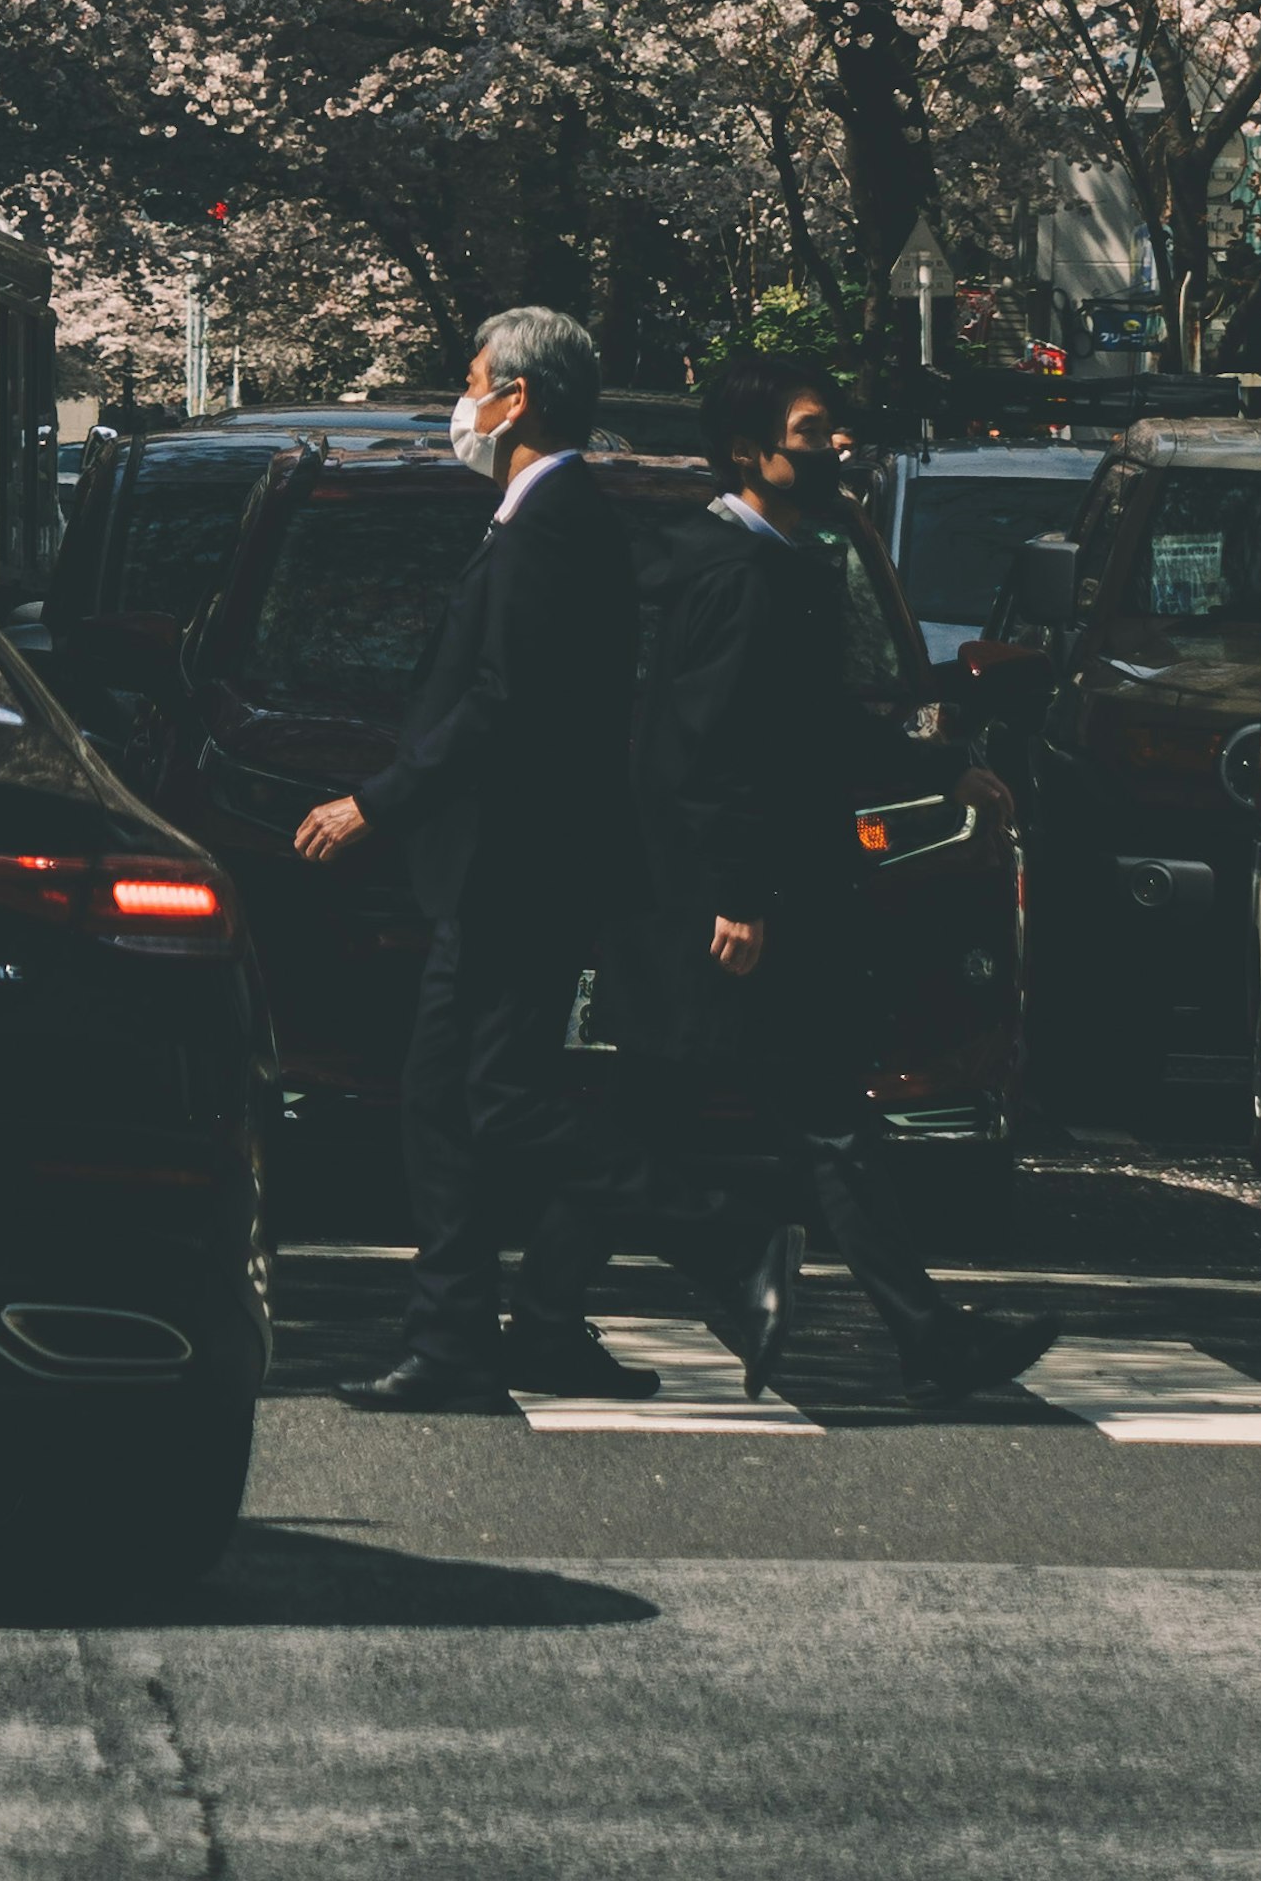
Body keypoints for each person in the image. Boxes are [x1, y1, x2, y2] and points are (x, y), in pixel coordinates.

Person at [634, 354, 1056, 1411]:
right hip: (745, 894)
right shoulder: (737, 575)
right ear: (749, 452)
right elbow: (715, 746)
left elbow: (806, 730)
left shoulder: (776, 560)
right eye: (811, 432)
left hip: (761, 884)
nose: (834, 449)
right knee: (700, 1112)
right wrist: (738, 891)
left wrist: (932, 761)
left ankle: (909, 1328)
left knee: (806, 1114)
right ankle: (744, 1272)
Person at [299, 303, 648, 1414]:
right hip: (505, 864)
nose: (465, 403)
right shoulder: (533, 515)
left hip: (518, 864)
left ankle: (709, 1218)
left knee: (487, 1101)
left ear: (521, 398)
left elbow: (504, 703)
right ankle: (476, 1333)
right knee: (449, 1101)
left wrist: (377, 804)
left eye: (475, 379)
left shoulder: (554, 523)